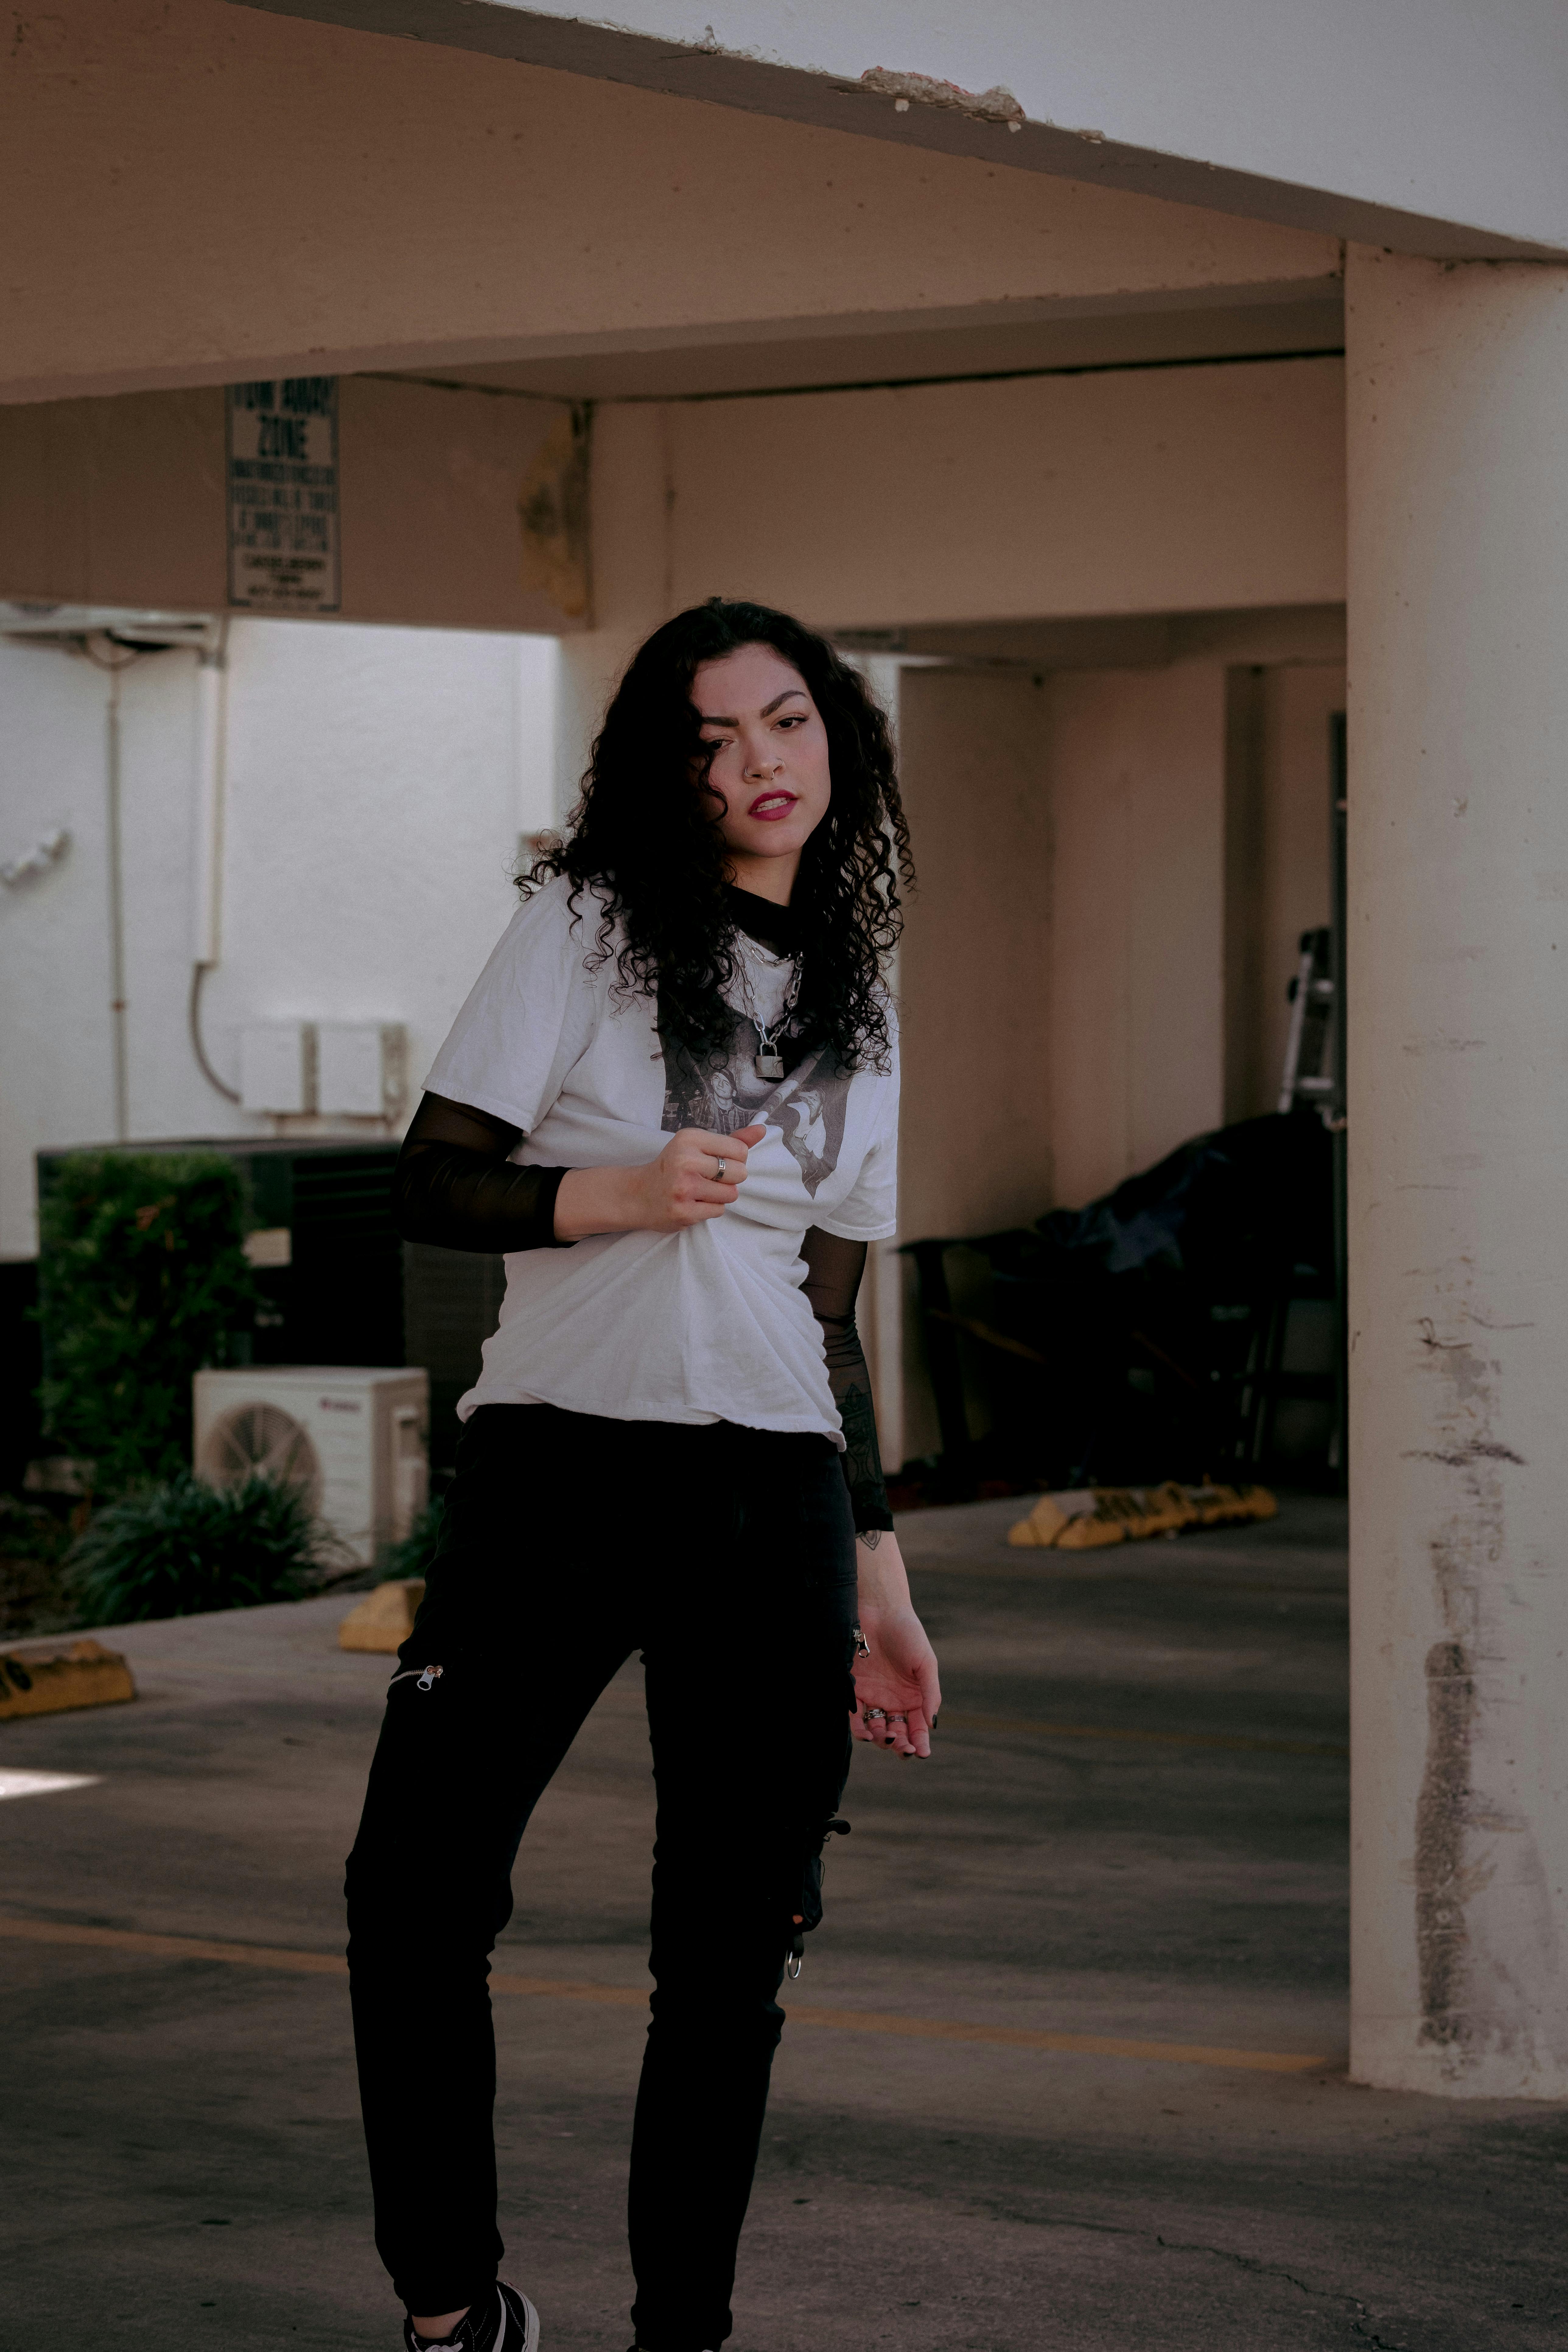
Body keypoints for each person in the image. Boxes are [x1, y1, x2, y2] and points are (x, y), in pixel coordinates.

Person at [345, 597, 942, 2352]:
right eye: (713, 742)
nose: (761, 764)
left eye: (787, 723)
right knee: (414, 1892)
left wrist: (883, 1574)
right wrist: (610, 1194)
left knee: (731, 1954)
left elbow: (826, 1312)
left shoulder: (859, 996)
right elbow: (430, 1182)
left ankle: (683, 2333)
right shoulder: (588, 930)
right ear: (666, 778)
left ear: (836, 736)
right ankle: (453, 2309)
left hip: (772, 1503)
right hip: (560, 1476)